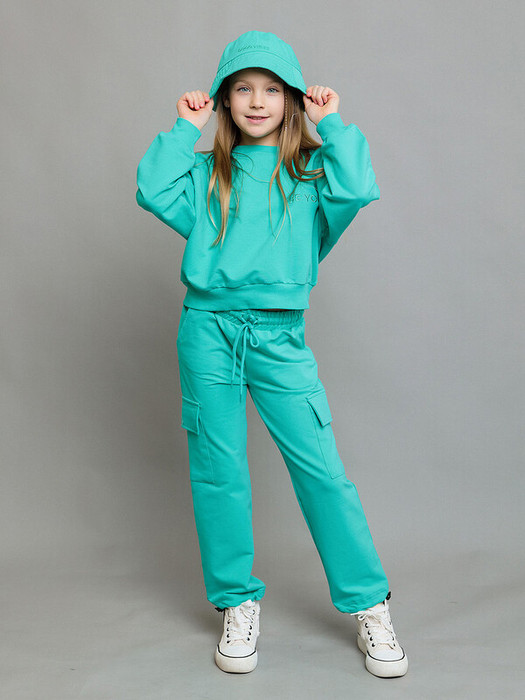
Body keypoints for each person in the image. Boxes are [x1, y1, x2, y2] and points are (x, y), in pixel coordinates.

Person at [136, 29, 408, 679]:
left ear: (291, 99)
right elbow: (151, 188)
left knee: (321, 471)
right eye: (241, 90)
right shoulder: (206, 172)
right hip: (207, 330)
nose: (256, 102)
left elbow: (358, 187)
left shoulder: (312, 174)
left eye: (271, 90)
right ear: (223, 101)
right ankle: (236, 602)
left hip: (280, 335)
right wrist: (184, 129)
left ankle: (370, 605)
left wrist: (331, 122)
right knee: (218, 470)